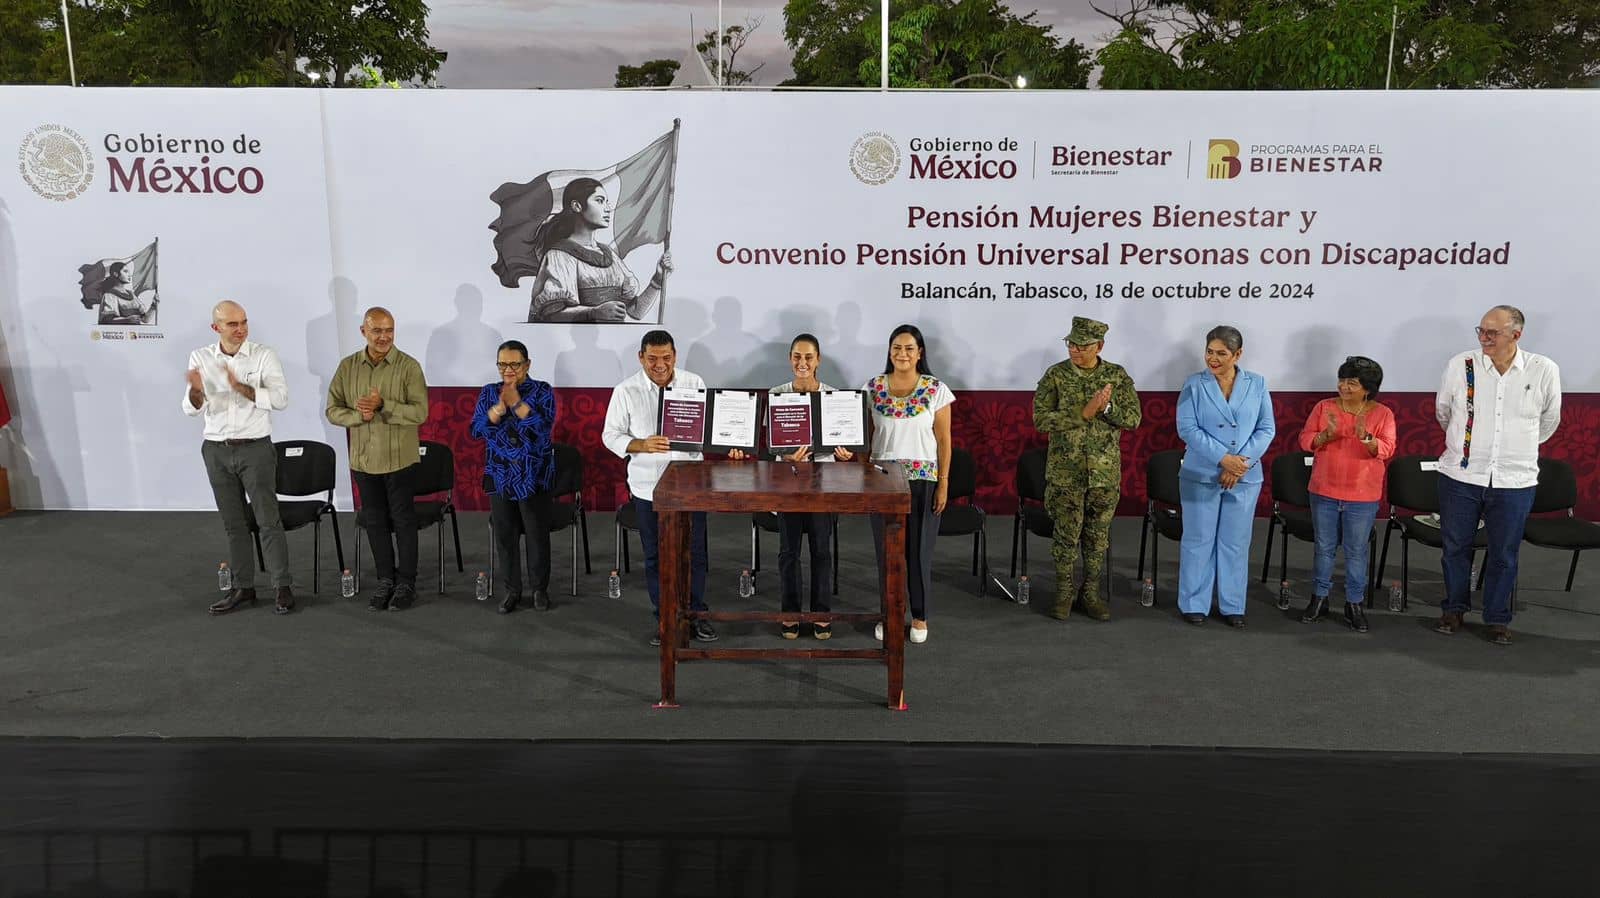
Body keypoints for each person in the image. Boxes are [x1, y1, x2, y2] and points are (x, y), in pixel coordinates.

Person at [1433, 305, 1561, 646]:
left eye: (1493, 332)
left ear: (1516, 335)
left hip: (1515, 480)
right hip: (1462, 475)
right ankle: (1454, 608)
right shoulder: (1461, 365)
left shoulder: (1543, 369)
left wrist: (1512, 449)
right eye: (1481, 331)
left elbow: (1548, 422)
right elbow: (1444, 412)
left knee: (1504, 552)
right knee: (1455, 547)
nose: (1484, 338)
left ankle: (1497, 617)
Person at [601, 330, 718, 645]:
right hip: (647, 487)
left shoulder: (695, 384)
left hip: (692, 486)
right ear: (641, 357)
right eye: (652, 358)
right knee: (655, 556)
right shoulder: (625, 390)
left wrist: (729, 440)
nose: (660, 364)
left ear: (675, 356)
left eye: (666, 357)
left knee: (695, 553)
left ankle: (696, 614)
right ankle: (664, 616)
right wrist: (639, 444)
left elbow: (710, 428)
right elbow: (609, 435)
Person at [182, 300, 294, 615]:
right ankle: (243, 587)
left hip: (255, 447)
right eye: (233, 324)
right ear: (216, 327)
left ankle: (281, 586)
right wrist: (196, 390)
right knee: (234, 525)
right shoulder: (201, 357)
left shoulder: (263, 355)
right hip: (216, 449)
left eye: (244, 322)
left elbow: (281, 399)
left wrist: (239, 387)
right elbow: (191, 408)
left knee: (267, 520)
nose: (241, 329)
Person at [1031, 316, 1142, 622]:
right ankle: (1064, 591)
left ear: (1100, 346)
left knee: (1097, 537)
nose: (1076, 350)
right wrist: (1083, 413)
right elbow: (1041, 420)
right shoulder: (1055, 375)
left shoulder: (1115, 376)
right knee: (1066, 536)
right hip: (1066, 474)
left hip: (1104, 475)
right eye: (1072, 344)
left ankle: (1090, 592)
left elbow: (1133, 419)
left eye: (1083, 345)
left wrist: (1106, 409)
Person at [326, 307, 430, 612]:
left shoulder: (408, 366)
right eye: (377, 331)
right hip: (363, 461)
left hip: (399, 460)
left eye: (389, 330)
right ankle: (386, 579)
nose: (384, 337)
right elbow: (332, 410)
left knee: (403, 521)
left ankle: (406, 582)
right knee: (374, 521)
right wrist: (359, 416)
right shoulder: (347, 367)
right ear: (363, 332)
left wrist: (385, 405)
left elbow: (420, 413)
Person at [1175, 325, 1275, 627]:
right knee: (1198, 539)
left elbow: (1266, 428)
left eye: (1221, 353)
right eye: (1209, 352)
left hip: (1244, 476)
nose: (1213, 359)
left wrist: (1238, 465)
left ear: (1237, 354)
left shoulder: (1257, 384)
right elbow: (1187, 429)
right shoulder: (1193, 384)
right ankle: (1194, 603)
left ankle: (1233, 604)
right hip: (1201, 473)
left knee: (1235, 542)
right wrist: (1223, 460)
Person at [865, 324, 954, 644]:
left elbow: (944, 440)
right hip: (881, 481)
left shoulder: (935, 389)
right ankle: (889, 615)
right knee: (887, 554)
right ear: (889, 352)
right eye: (896, 348)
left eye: (909, 348)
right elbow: (866, 436)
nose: (902, 354)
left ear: (920, 353)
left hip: (923, 481)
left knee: (918, 554)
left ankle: (919, 617)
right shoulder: (872, 387)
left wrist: (943, 484)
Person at [1297, 356, 1396, 633]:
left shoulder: (1382, 413)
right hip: (1324, 490)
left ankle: (1354, 603)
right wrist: (1324, 437)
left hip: (1362, 495)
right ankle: (1320, 598)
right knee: (1324, 548)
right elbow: (1305, 440)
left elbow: (1387, 449)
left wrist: (1366, 438)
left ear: (1368, 388)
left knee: (1355, 552)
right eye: (1342, 380)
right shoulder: (1323, 407)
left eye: (1352, 383)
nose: (1344, 387)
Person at [767, 334, 853, 639]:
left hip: (823, 484)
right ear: (790, 359)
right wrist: (784, 454)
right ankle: (789, 612)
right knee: (788, 551)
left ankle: (821, 612)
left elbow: (845, 441)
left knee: (821, 550)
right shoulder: (777, 395)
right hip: (788, 484)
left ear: (818, 360)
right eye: (796, 357)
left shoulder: (834, 397)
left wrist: (846, 452)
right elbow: (769, 445)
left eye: (808, 357)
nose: (802, 363)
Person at [471, 339, 558, 614]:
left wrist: (517, 404)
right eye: (502, 364)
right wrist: (498, 408)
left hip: (534, 474)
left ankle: (539, 590)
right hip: (500, 475)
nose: (508, 370)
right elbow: (476, 430)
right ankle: (512, 590)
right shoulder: (488, 392)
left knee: (536, 534)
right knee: (505, 535)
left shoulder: (543, 390)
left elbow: (542, 428)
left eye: (514, 364)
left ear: (527, 364)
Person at [526, 178, 673, 323]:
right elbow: (551, 315)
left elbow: (636, 312)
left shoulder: (609, 255)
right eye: (600, 201)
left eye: (606, 202)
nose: (608, 208)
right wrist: (593, 313)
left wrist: (657, 280)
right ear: (577, 206)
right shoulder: (559, 255)